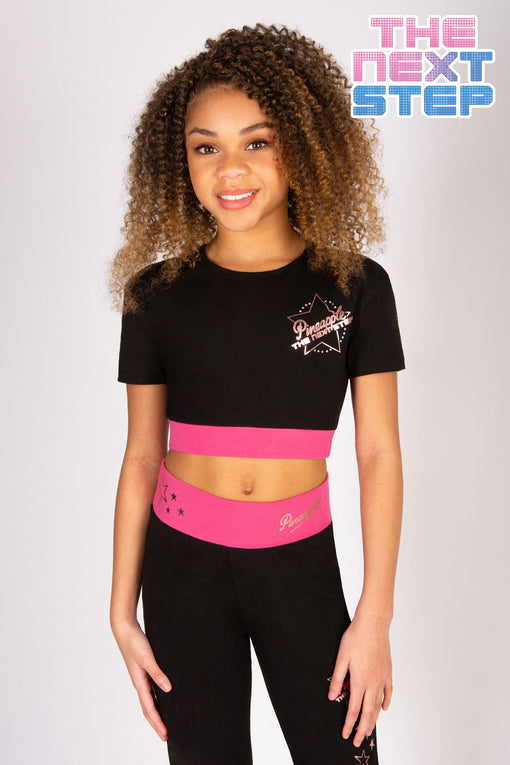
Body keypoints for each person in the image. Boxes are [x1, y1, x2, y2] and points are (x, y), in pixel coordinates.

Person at [108, 23, 405, 765]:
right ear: (179, 160)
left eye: (257, 142)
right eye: (205, 147)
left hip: (299, 564)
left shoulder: (356, 287)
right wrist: (121, 611)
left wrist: (374, 615)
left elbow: (377, 452)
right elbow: (142, 456)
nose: (230, 169)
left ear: (303, 147)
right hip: (181, 572)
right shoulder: (156, 295)